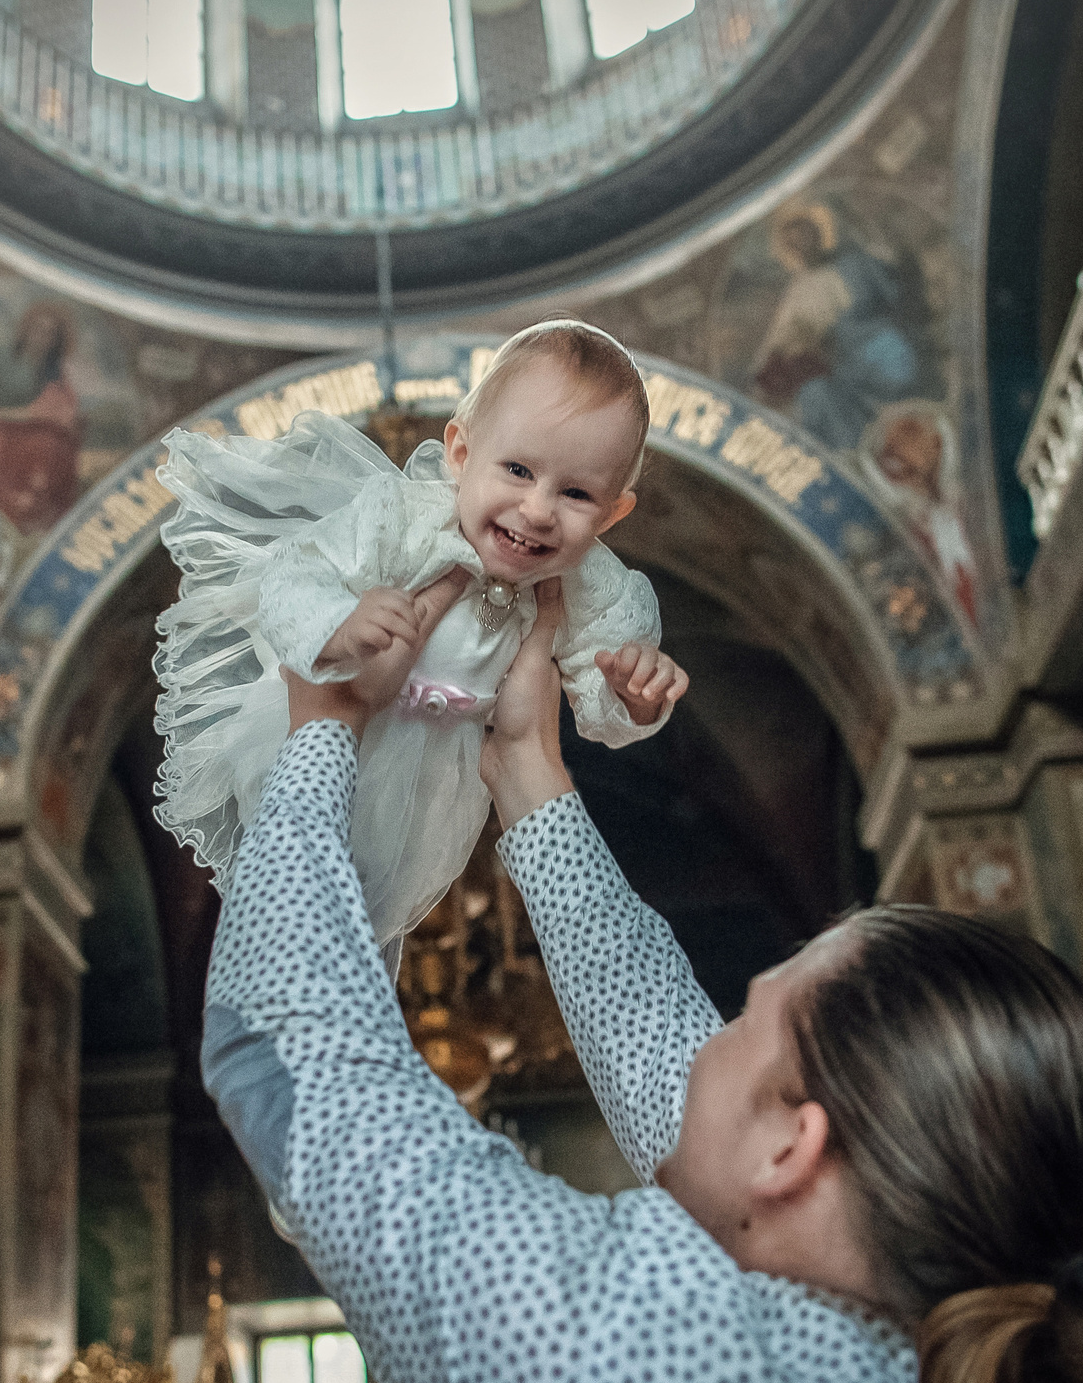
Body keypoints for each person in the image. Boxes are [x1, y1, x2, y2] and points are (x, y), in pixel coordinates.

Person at [198, 577, 1083, 1383]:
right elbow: (671, 1065)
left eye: (741, 1027)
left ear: (792, 1148)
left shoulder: (610, 1348)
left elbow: (282, 1050)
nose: (703, 1045)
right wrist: (527, 772)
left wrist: (322, 729)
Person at [153, 320, 688, 950]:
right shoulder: (403, 519)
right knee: (293, 903)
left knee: (371, 931)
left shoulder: (590, 586)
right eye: (517, 470)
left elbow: (596, 694)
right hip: (341, 727)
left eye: (576, 493)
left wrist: (633, 695)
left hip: (443, 776)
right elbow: (295, 573)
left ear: (612, 513)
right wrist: (338, 626)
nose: (539, 510)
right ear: (461, 454)